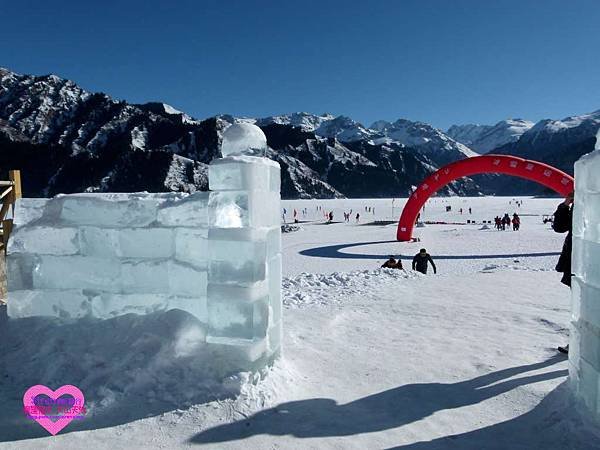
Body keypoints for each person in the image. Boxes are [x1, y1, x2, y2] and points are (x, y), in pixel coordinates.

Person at [553, 191, 574, 354]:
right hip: (577, 262)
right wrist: (565, 206)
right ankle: (577, 341)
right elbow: (559, 227)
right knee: (580, 306)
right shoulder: (579, 205)